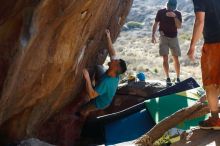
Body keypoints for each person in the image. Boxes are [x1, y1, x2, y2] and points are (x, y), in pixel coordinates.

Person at [77, 29, 127, 117]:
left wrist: (87, 78)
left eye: (115, 61)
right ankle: (94, 87)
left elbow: (92, 95)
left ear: (115, 67)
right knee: (99, 67)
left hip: (100, 102)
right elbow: (112, 53)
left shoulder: (106, 82)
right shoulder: (115, 73)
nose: (113, 60)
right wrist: (108, 37)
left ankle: (80, 116)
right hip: (104, 86)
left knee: (84, 109)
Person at [187, 0, 220, 129]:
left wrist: (192, 46)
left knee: (211, 84)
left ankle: (215, 120)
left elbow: (200, 21)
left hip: (214, 45)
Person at [151, 0, 182, 86]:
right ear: (167, 5)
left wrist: (175, 17)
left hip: (174, 38)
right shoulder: (160, 12)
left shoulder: (178, 13)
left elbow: (179, 26)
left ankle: (178, 78)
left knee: (176, 58)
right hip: (163, 37)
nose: (171, 9)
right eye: (169, 7)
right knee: (165, 58)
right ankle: (168, 78)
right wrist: (153, 35)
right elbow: (156, 23)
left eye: (173, 8)